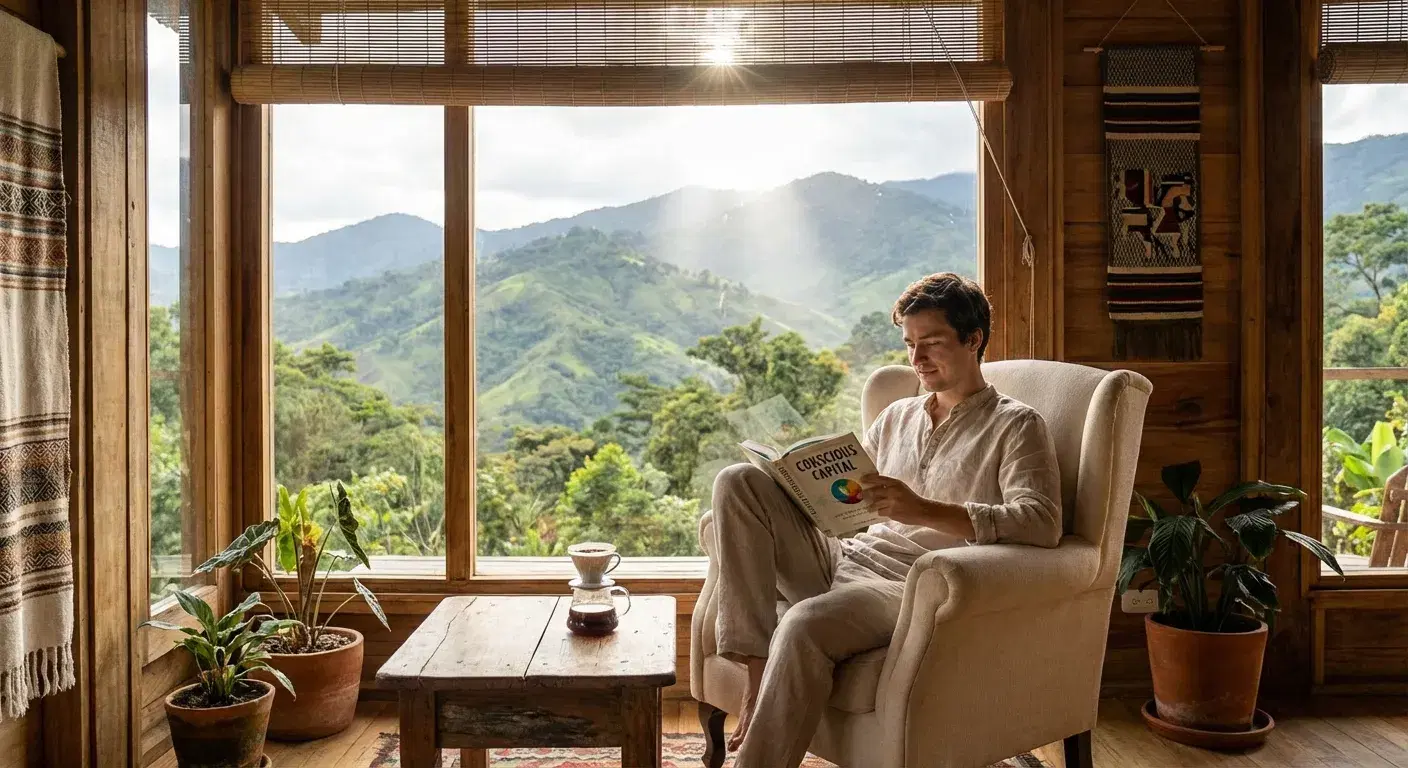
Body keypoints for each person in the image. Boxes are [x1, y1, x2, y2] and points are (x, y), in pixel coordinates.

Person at [709, 272, 1063, 768]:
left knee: (802, 623)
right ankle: (754, 676)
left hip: (912, 585)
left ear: (973, 339)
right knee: (737, 481)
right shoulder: (897, 415)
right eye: (910, 345)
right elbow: (850, 502)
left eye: (932, 344)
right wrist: (801, 491)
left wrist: (921, 510)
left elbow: (1041, 521)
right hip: (846, 558)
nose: (916, 360)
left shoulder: (1016, 424)